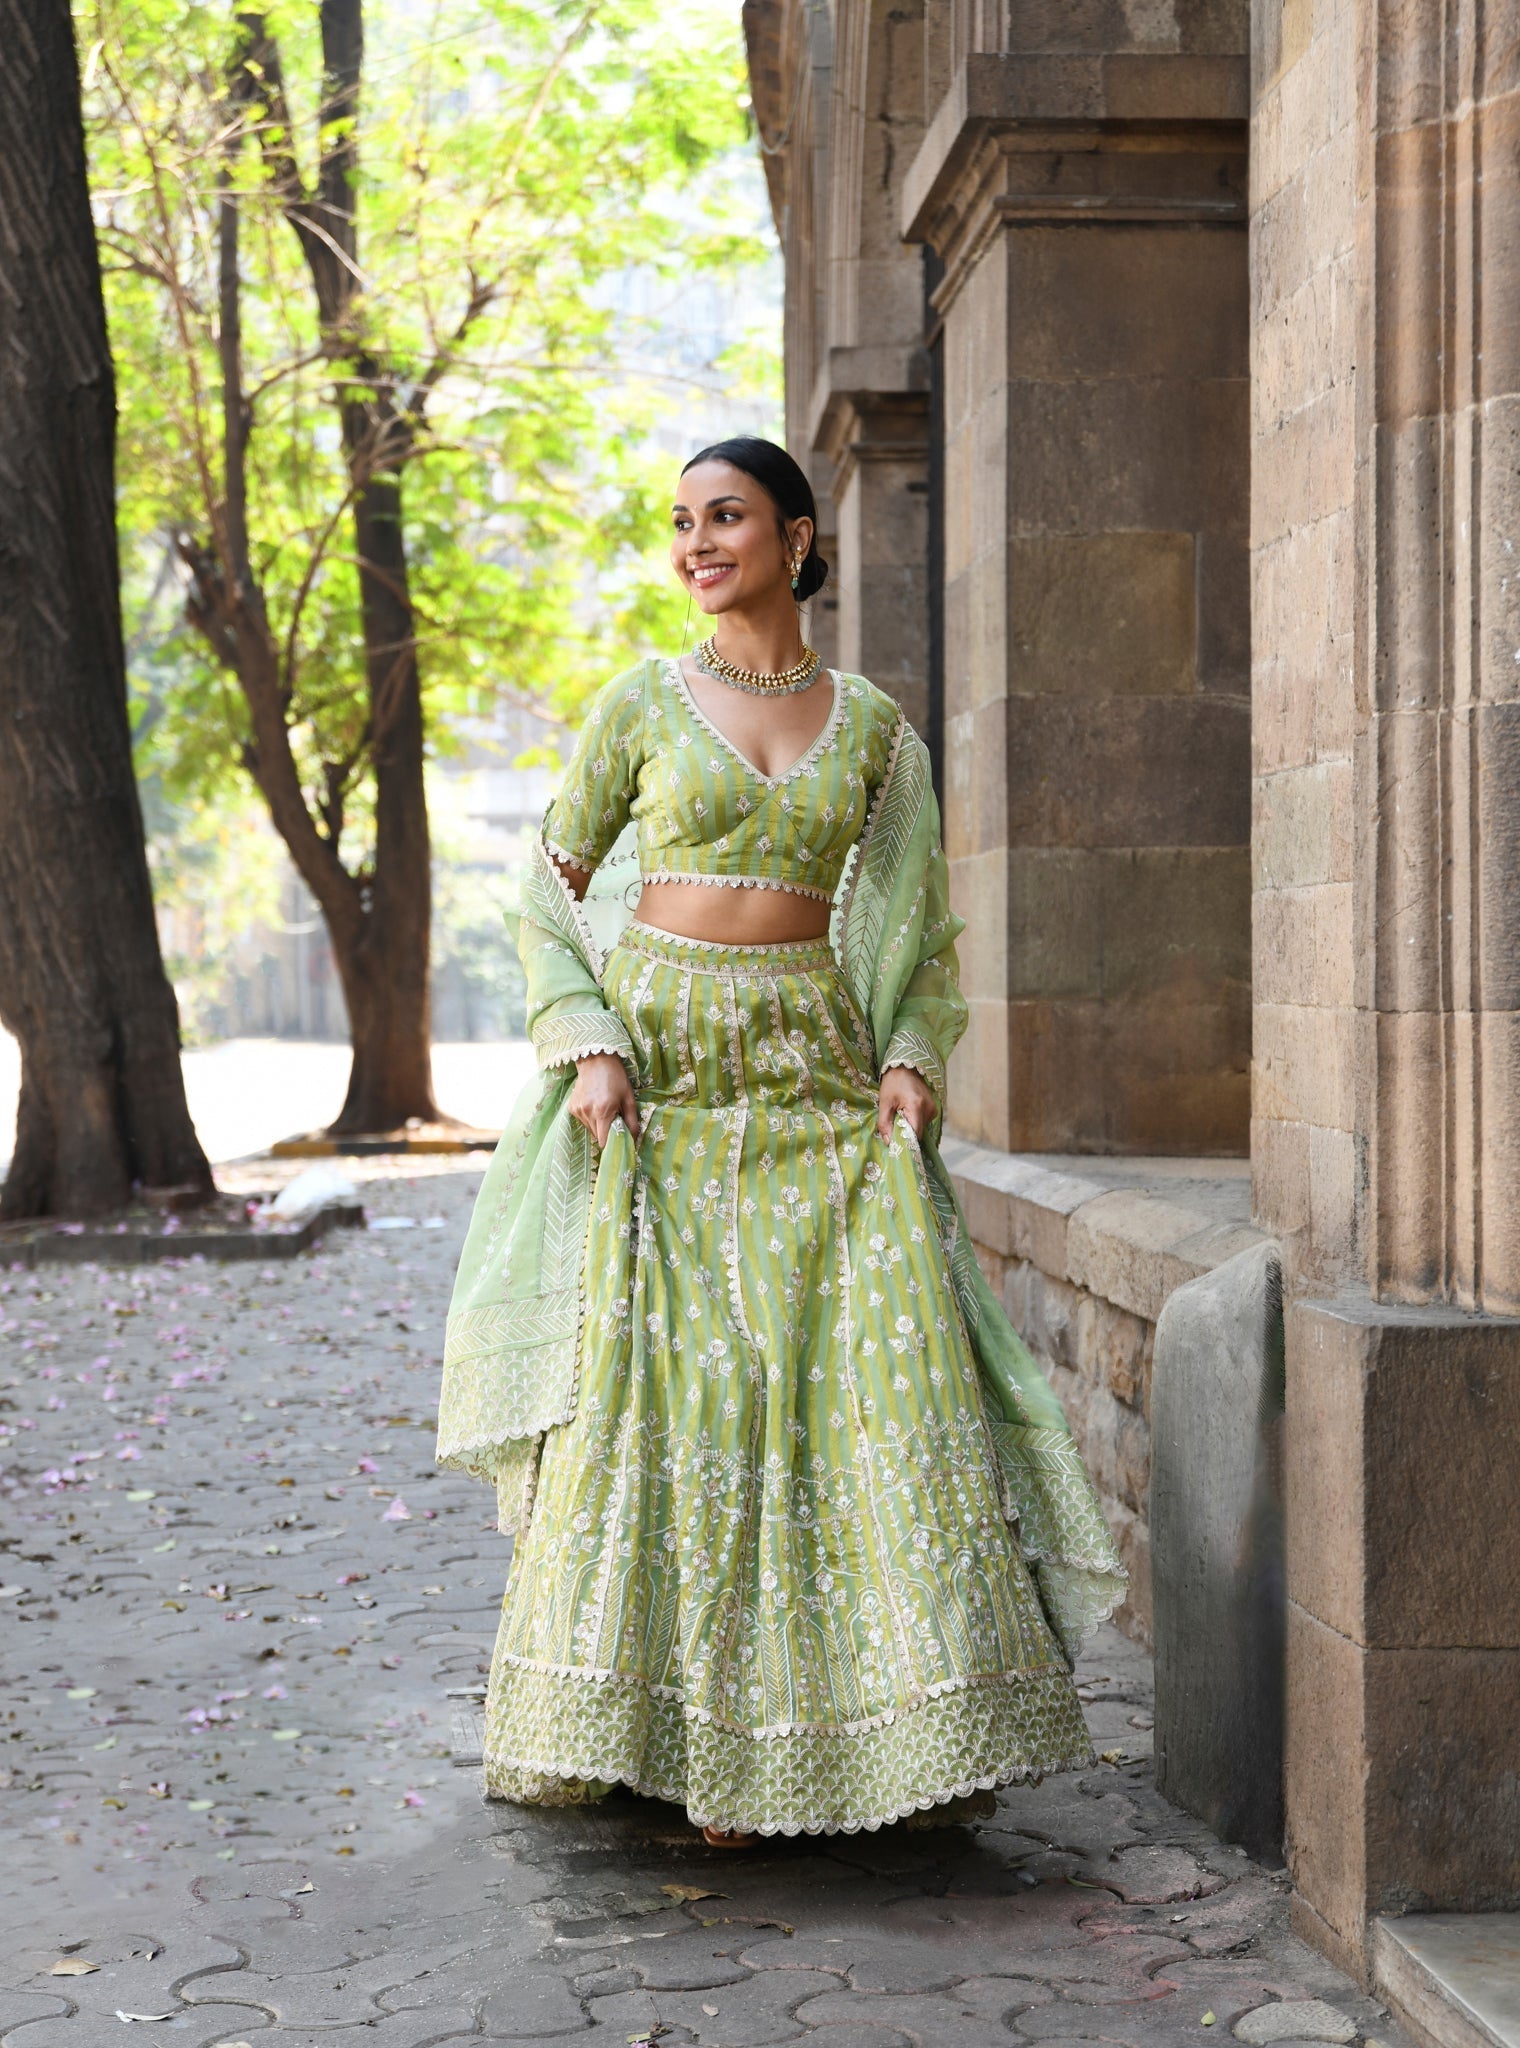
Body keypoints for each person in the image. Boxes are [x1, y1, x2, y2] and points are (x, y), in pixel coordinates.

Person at [437, 436, 1125, 1846]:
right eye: (680, 522)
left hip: (813, 1084)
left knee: (867, 1377)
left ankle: (901, 1725)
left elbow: (921, 929)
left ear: (799, 539)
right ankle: (684, 1745)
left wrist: (911, 1061)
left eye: (726, 516)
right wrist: (589, 1040)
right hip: (665, 1087)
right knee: (683, 1394)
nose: (696, 542)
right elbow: (545, 893)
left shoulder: (874, 728)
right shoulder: (639, 704)